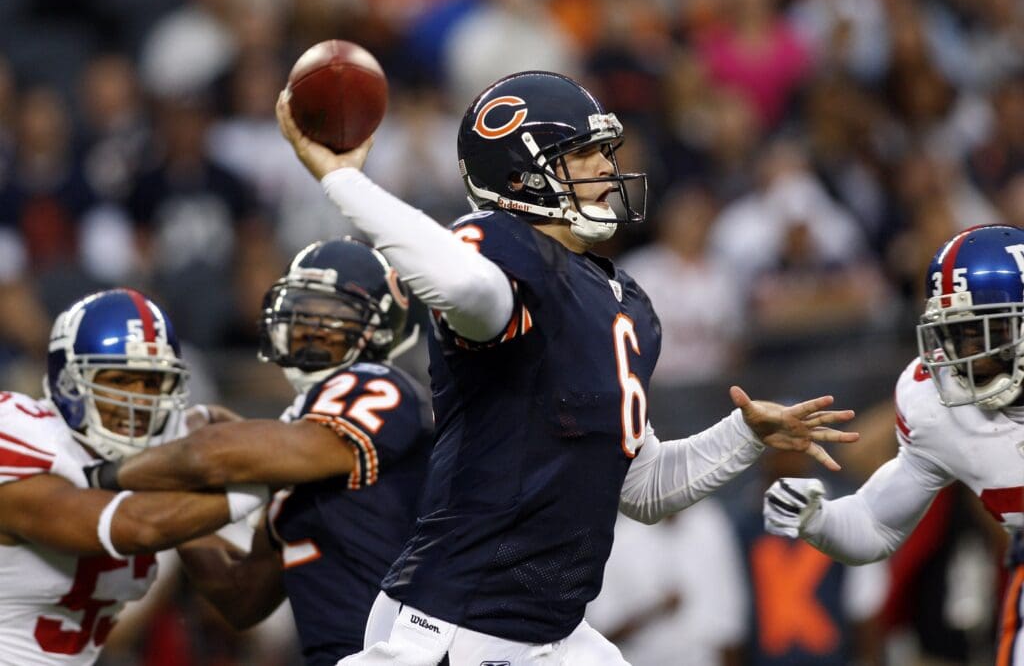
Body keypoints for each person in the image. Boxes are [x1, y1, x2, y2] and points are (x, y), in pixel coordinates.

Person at [275, 70, 859, 665]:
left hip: (554, 635)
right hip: (454, 629)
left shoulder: (624, 301)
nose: (607, 169)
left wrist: (744, 437)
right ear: (518, 172)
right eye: (582, 154)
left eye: (605, 152)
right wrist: (343, 179)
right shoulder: (501, 246)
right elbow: (465, 285)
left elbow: (643, 488)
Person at [90, 238, 434, 664]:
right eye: (302, 306)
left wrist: (109, 472)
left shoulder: (378, 384)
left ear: (378, 326)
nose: (309, 322)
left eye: (331, 312)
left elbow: (209, 455)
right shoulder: (296, 449)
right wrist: (165, 499)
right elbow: (240, 599)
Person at [764, 223, 1024, 665]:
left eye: (990, 333)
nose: (968, 353)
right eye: (957, 333)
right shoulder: (936, 404)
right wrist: (818, 519)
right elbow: (876, 524)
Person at [0, 287, 267, 664]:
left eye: (152, 382)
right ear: (69, 383)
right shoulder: (21, 437)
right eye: (120, 381)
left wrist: (285, 519)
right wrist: (260, 484)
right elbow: (134, 526)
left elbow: (240, 598)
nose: (139, 399)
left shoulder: (153, 464)